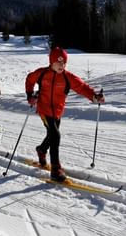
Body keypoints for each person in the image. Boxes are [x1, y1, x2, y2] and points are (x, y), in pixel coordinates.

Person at [25, 47, 104, 182]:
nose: (61, 65)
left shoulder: (68, 77)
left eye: (64, 63)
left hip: (57, 112)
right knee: (55, 135)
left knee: (51, 135)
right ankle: (55, 170)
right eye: (58, 62)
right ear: (51, 62)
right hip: (44, 109)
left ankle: (41, 150)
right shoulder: (42, 73)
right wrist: (30, 95)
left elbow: (82, 87)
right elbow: (29, 80)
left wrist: (94, 97)